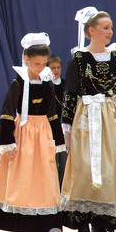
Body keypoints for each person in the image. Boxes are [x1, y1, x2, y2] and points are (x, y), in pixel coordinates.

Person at [60, 8, 116, 232]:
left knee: (109, 168)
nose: (110, 31)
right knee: (86, 168)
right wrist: (67, 126)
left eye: (111, 27)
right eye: (105, 27)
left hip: (110, 118)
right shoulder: (79, 58)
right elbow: (70, 93)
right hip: (87, 117)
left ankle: (102, 224)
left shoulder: (114, 57)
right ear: (91, 30)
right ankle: (83, 220)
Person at [0, 32, 65, 232]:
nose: (41, 67)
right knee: (25, 179)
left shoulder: (47, 82)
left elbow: (52, 113)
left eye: (43, 63)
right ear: (26, 60)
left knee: (44, 179)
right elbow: (6, 112)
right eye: (37, 63)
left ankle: (43, 224)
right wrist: (7, 141)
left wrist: (58, 140)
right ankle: (27, 228)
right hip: (24, 135)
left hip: (43, 135)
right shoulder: (18, 83)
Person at [47, 55, 67, 187]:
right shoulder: (46, 85)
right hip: (49, 126)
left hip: (64, 125)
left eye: (58, 67)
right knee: (51, 158)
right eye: (53, 68)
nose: (56, 70)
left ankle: (61, 187)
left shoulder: (66, 85)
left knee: (64, 159)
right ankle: (51, 187)